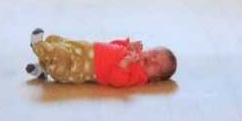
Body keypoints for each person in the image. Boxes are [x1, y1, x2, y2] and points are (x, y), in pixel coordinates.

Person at [26, 29, 177, 87]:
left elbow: (117, 81)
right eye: (154, 54)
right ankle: (42, 69)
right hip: (86, 49)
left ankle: (38, 46)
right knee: (58, 41)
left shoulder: (139, 76)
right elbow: (112, 45)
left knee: (61, 58)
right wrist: (127, 45)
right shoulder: (134, 55)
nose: (152, 59)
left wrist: (125, 63)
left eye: (156, 65)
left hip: (83, 67)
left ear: (155, 78)